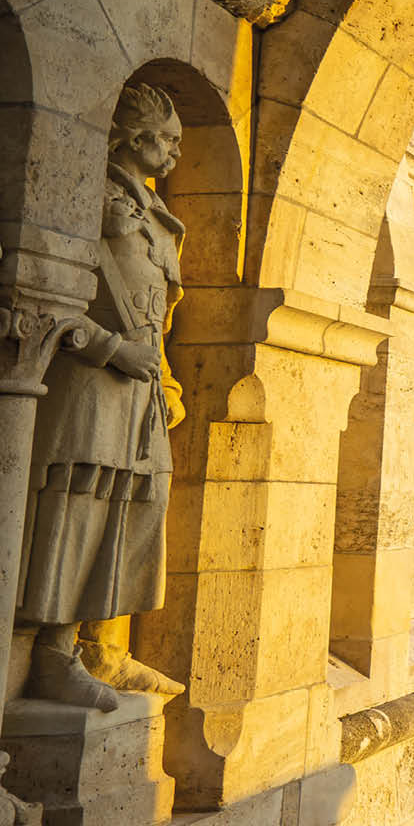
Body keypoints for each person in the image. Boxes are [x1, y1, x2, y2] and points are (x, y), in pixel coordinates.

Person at [22, 83, 188, 709]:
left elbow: (157, 320)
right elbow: (50, 293)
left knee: (135, 507)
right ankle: (51, 655)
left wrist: (164, 379)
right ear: (130, 135)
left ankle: (104, 648)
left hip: (142, 392)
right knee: (78, 505)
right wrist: (113, 351)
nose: (173, 153)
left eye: (176, 142)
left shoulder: (155, 217)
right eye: (165, 140)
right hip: (91, 382)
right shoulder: (90, 193)